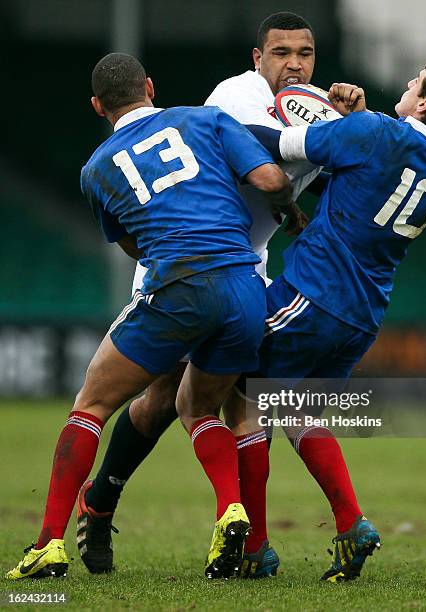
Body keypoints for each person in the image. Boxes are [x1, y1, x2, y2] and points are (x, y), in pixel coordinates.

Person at [6, 52, 300, 581]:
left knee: (92, 402)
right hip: (245, 288)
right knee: (200, 405)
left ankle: (48, 543)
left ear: (97, 106)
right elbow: (271, 179)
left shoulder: (95, 170)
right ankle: (230, 509)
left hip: (177, 286)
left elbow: (130, 243)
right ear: (149, 85)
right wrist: (292, 214)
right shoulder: (205, 119)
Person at [78, 11, 337, 579]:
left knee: (246, 400)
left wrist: (351, 118)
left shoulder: (318, 111)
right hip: (184, 261)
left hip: (246, 268)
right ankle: (101, 504)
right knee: (162, 398)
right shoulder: (236, 95)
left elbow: (347, 163)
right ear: (257, 58)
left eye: (306, 53)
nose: (294, 63)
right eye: (281, 52)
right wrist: (332, 137)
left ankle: (248, 543)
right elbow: (267, 160)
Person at [237, 53, 426, 582]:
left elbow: (280, 145)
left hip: (315, 294)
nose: (407, 80)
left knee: (244, 395)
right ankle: (350, 526)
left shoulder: (373, 132)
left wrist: (215, 121)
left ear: (425, 101)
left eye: (414, 79)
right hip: (364, 314)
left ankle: (254, 547)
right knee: (297, 412)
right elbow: (355, 184)